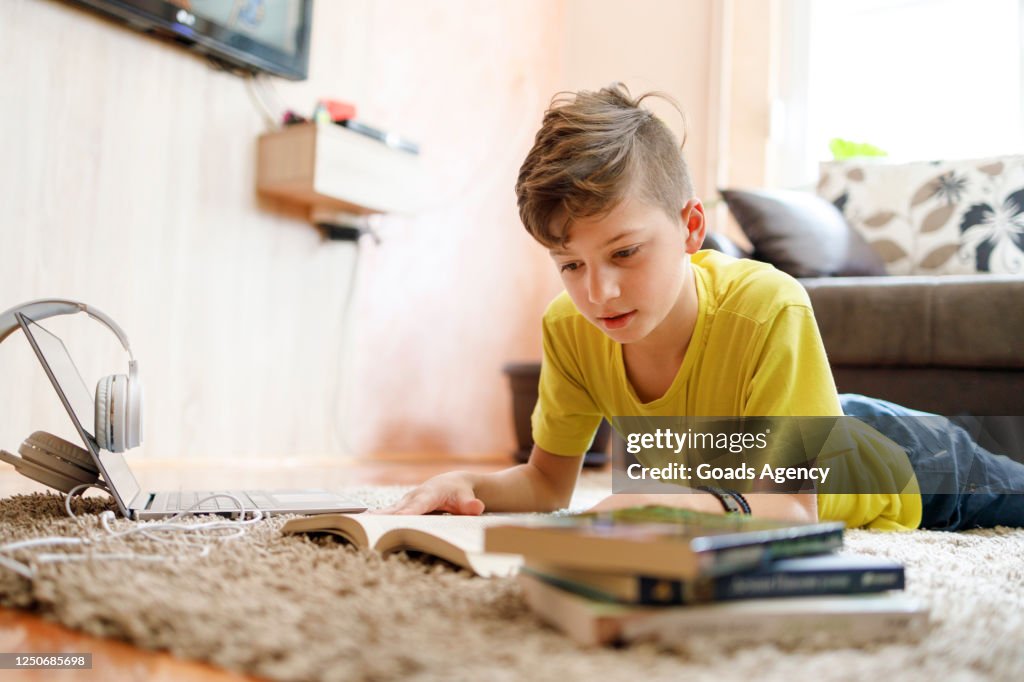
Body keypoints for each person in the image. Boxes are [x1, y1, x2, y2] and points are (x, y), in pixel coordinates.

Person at [380, 83, 1024, 531]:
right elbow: (549, 486)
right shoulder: (569, 330)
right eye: (570, 265)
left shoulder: (769, 305)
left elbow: (795, 510)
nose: (598, 293)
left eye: (626, 253)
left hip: (898, 462)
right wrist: (471, 484)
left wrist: (666, 509)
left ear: (691, 228)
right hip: (788, 433)